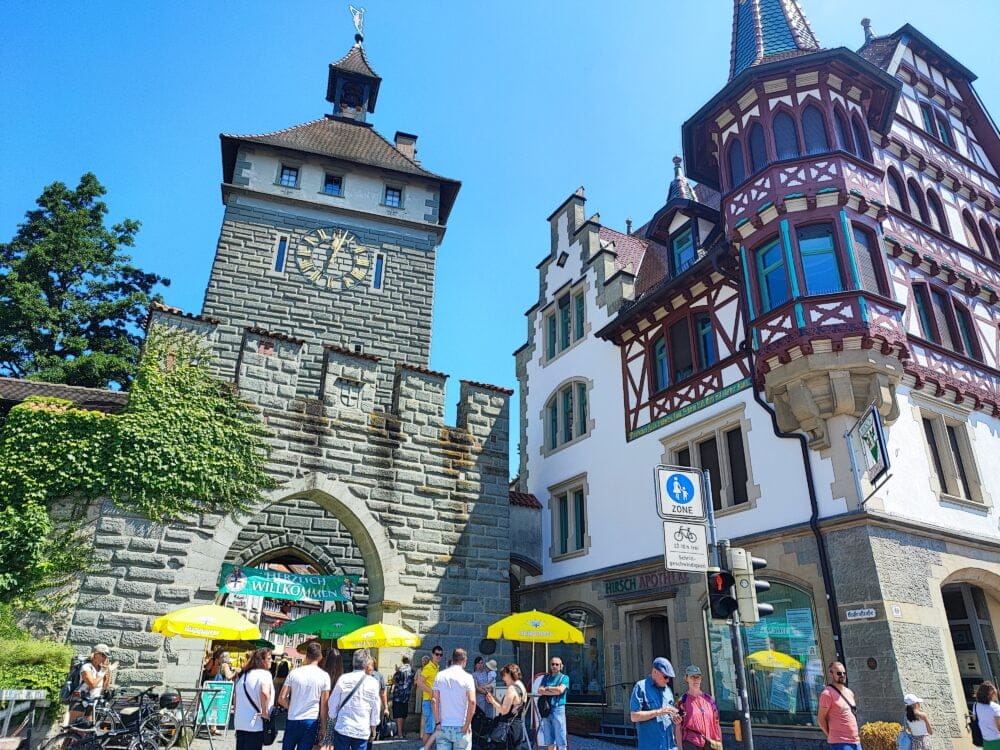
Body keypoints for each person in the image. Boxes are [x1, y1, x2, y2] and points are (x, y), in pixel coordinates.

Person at [321, 649, 380, 750]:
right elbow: (376, 708)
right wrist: (373, 727)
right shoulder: (373, 683)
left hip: (343, 726)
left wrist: (333, 716)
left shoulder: (344, 679)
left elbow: (332, 702)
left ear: (353, 662)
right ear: (366, 664)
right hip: (362, 728)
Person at [278, 642, 331, 750]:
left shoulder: (294, 673)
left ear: (306, 656)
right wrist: (324, 727)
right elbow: (324, 706)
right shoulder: (324, 676)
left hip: (293, 718)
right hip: (310, 720)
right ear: (320, 657)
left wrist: (291, 706)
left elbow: (281, 698)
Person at [430, 648, 476, 750]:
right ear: (464, 660)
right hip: (461, 724)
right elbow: (472, 702)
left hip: (443, 725)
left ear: (453, 659)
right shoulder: (468, 677)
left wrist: (437, 722)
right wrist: (467, 724)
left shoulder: (440, 676)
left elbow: (434, 701)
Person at [629, 657, 680, 750]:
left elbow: (670, 715)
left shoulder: (668, 690)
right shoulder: (641, 687)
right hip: (651, 746)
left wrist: (676, 717)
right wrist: (658, 712)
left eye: (669, 678)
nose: (667, 680)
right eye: (665, 677)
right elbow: (634, 716)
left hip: (670, 746)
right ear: (655, 672)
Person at [234, 649, 276, 750]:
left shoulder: (244, 675)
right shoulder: (265, 674)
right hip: (255, 723)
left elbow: (235, 697)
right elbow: (265, 693)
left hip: (240, 722)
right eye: (269, 659)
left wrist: (236, 714)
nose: (272, 661)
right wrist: (265, 715)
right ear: (261, 660)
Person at [674, 666, 721, 750]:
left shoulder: (709, 700)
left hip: (710, 744)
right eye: (692, 677)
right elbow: (678, 727)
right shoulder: (682, 701)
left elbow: (716, 724)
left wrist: (720, 744)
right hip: (691, 743)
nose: (695, 680)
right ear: (686, 678)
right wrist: (680, 748)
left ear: (701, 679)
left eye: (698, 677)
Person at [485, 663, 530, 750]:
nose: (503, 678)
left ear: (510, 674)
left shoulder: (512, 689)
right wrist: (495, 699)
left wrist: (492, 702)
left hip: (508, 728)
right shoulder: (521, 686)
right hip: (517, 726)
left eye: (504, 675)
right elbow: (516, 705)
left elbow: (504, 711)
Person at [817, 661, 860, 750]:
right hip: (840, 742)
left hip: (855, 741)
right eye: (839, 673)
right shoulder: (827, 694)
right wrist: (832, 735)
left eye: (844, 673)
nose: (842, 675)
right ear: (831, 674)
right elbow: (821, 719)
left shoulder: (849, 692)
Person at [70, 644, 116, 723]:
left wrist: (108, 671)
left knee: (87, 731)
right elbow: (92, 685)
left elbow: (105, 686)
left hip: (93, 702)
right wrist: (102, 672)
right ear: (95, 654)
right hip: (81, 701)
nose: (105, 658)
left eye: (106, 656)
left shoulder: (100, 669)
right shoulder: (86, 667)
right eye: (102, 655)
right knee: (74, 730)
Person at [537, 656, 569, 750]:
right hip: (546, 709)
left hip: (558, 708)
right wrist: (554, 690)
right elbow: (540, 690)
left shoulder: (564, 678)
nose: (554, 666)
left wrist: (547, 688)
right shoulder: (546, 677)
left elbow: (560, 690)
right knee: (549, 737)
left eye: (557, 664)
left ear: (561, 666)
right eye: (553, 664)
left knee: (561, 736)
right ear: (550, 666)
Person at [415, 646, 444, 746]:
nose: (438, 656)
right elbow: (419, 682)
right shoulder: (428, 667)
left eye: (440, 655)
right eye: (437, 654)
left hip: (433, 701)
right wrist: (432, 692)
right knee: (429, 729)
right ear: (432, 654)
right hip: (428, 701)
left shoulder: (436, 667)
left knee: (431, 728)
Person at [391, 657, 414, 739]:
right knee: (403, 714)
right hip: (406, 695)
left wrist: (396, 671)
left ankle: (399, 734)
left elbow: (394, 680)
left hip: (398, 695)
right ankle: (401, 732)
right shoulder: (412, 670)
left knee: (398, 714)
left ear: (402, 661)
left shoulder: (400, 669)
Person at [366, 658, 389, 737]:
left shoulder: (378, 675)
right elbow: (383, 692)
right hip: (372, 704)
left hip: (373, 704)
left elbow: (383, 692)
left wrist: (386, 707)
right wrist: (386, 707)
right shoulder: (378, 675)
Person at [975, 681, 1000, 750]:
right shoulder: (995, 707)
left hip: (986, 741)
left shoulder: (976, 705)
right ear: (990, 694)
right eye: (995, 692)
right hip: (997, 740)